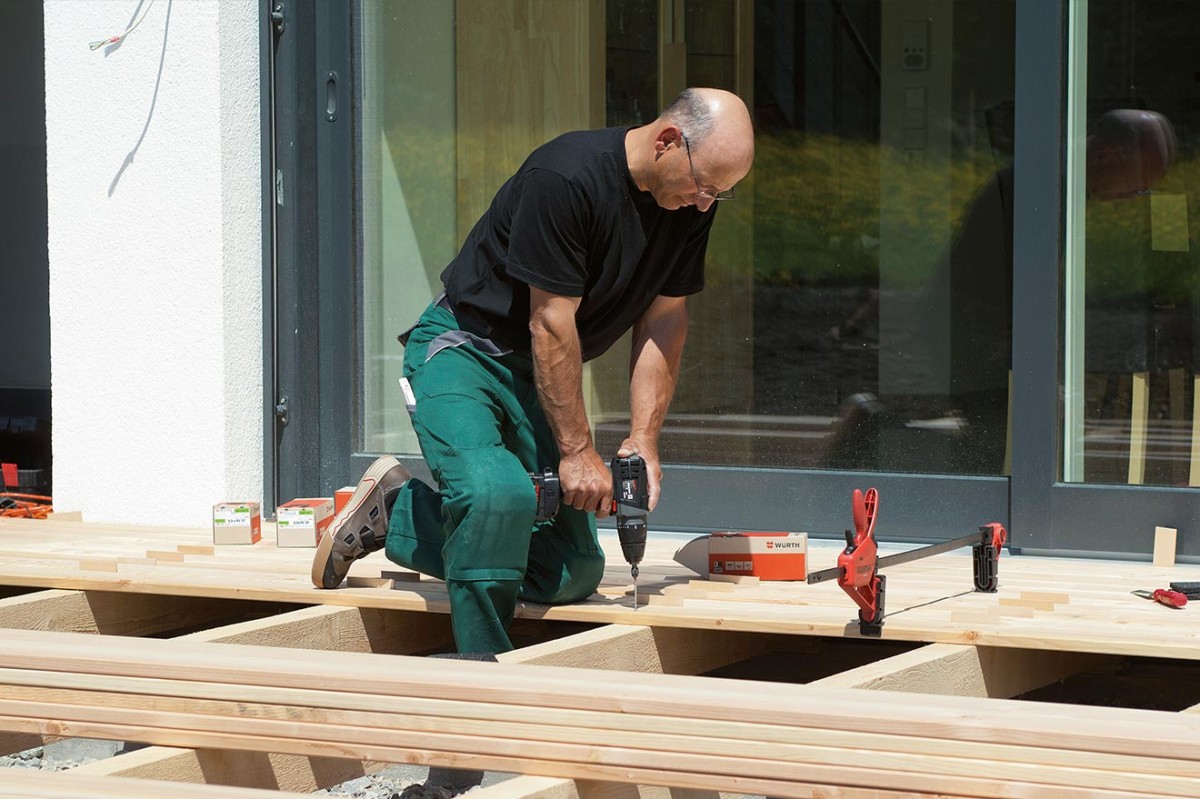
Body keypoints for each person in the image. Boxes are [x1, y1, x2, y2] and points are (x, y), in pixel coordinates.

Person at [312, 88, 755, 654]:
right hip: (465, 352)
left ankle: (399, 510)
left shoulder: (688, 206)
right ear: (669, 140)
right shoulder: (566, 178)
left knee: (571, 571)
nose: (705, 202)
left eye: (721, 193)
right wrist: (575, 450)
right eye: (706, 184)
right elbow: (549, 323)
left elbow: (665, 320)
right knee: (498, 499)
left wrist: (643, 440)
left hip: (538, 374)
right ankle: (482, 672)